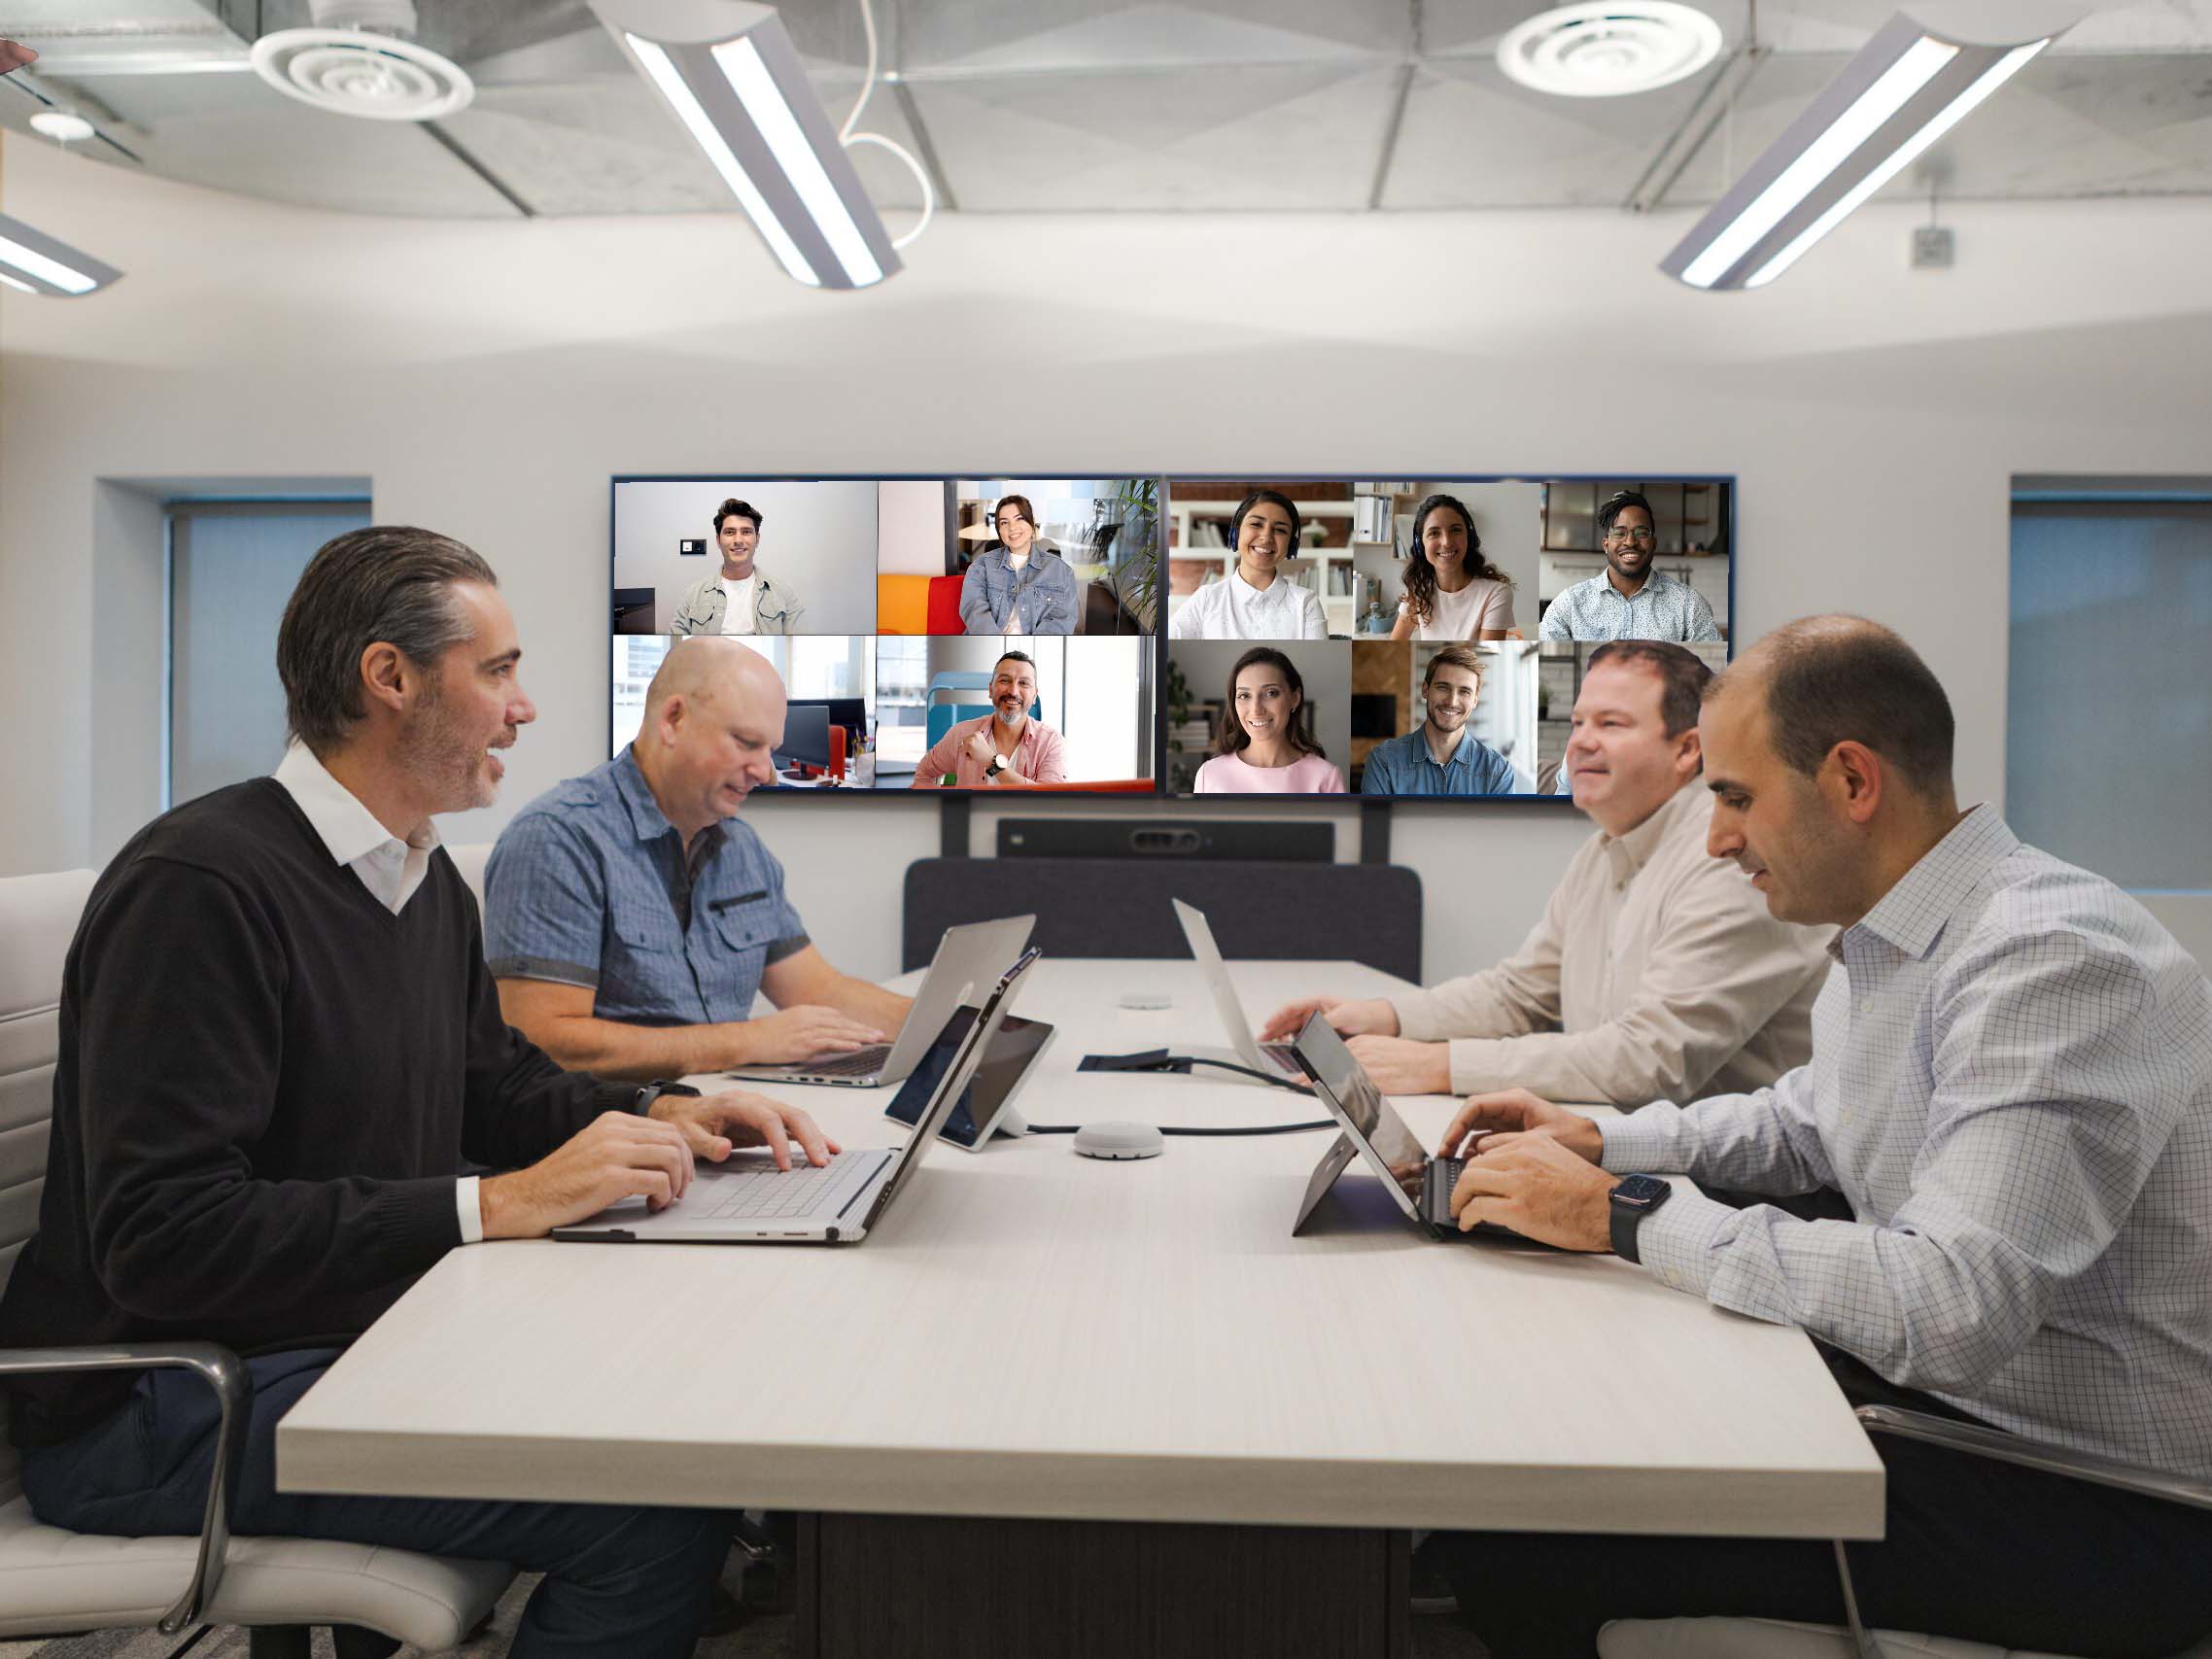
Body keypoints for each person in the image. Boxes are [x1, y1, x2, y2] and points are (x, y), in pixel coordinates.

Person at [0, 527, 839, 1659]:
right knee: (653, 1506)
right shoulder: (199, 887)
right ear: (389, 679)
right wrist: (491, 1206)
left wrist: (659, 1116)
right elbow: (165, 1238)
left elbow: (490, 1091)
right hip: (161, 1404)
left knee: (678, 1406)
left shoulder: (419, 875)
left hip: (336, 1333)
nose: (524, 708)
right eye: (497, 671)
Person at [1423, 616, 2212, 1659]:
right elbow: (1802, 1126)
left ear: (1849, 780)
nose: (1713, 839)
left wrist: (1618, 1217)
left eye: (1735, 798)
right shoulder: (1900, 932)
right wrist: (1600, 1144)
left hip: (2093, 1500)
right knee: (1565, 1437)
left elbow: (1950, 1308)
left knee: (1523, 1538)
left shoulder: (2047, 961)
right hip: (1951, 1415)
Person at [1265, 640, 1828, 1100]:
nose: (1581, 740)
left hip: (1726, 1193)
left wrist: (1437, 1066)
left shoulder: (1730, 857)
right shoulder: (1606, 849)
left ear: (1686, 750)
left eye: (1611, 724)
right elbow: (1519, 995)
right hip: (1631, 1147)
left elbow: (1649, 1061)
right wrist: (1377, 1015)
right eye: (1579, 721)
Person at [485, 637, 913, 1080]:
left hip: (721, 1114)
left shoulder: (742, 850)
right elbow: (540, 1041)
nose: (766, 772)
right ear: (673, 719)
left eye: (771, 750)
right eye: (747, 743)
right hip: (617, 1130)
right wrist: (746, 1041)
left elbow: (820, 991)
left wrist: (960, 1022)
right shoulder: (559, 840)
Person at [1538, 488, 1721, 643]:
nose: (1631, 541)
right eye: (1619, 533)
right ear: (1606, 544)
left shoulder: (1688, 605)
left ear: (1654, 543)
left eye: (1642, 532)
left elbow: (1714, 674)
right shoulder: (1570, 603)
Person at [1359, 644, 1520, 797]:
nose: (1452, 701)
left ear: (1475, 701)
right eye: (1443, 687)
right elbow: (1376, 826)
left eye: (1464, 691)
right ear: (1425, 690)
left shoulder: (1497, 771)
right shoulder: (1383, 762)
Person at [1167, 488, 1327, 640]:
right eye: (1256, 524)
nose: (1266, 537)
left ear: (1291, 545)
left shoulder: (1305, 603)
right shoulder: (1206, 599)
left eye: (1280, 530)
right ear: (1236, 532)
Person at [1193, 646, 1346, 794]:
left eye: (1270, 693)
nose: (1255, 709)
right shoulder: (1209, 775)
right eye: (1244, 696)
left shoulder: (1326, 778)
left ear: (1295, 698)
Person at [910, 649, 1068, 788]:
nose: (1013, 691)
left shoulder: (1051, 742)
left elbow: (1051, 800)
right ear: (991, 689)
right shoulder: (961, 734)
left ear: (1034, 695)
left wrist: (992, 762)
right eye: (1004, 680)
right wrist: (944, 809)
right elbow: (923, 773)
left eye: (1024, 683)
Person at [1387, 493, 1515, 640]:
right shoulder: (1418, 591)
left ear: (1469, 537)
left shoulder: (1496, 593)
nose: (1446, 542)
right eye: (1434, 533)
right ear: (1420, 544)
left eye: (1455, 530)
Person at [669, 497, 804, 636]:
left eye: (746, 532)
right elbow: (677, 649)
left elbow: (796, 647)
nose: (738, 540)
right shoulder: (691, 596)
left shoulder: (785, 595)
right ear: (718, 540)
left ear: (757, 539)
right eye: (729, 532)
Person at [957, 493, 1079, 636]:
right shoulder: (980, 567)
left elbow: (1061, 621)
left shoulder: (1061, 571)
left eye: (1019, 519)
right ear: (999, 530)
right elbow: (974, 611)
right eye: (1004, 522)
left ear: (1032, 523)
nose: (1012, 527)